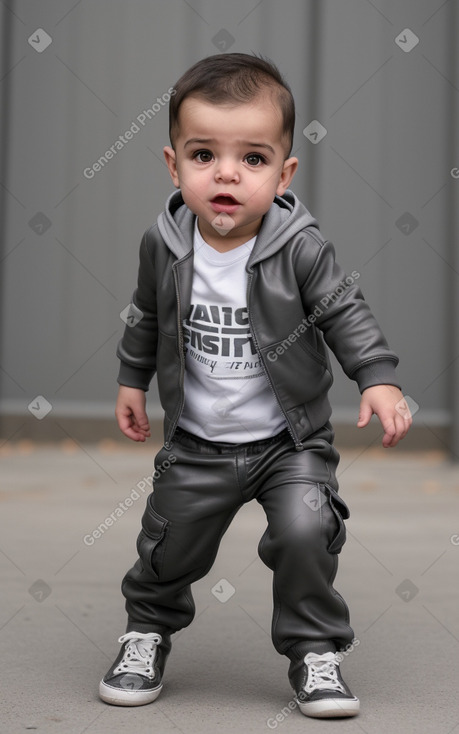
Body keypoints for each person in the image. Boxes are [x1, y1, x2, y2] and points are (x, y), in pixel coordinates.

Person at [99, 52, 411, 719]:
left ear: (284, 171)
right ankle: (145, 631)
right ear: (172, 163)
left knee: (306, 530)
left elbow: (342, 311)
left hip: (286, 442)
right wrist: (132, 379)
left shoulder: (299, 246)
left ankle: (314, 652)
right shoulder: (164, 243)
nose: (226, 174)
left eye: (252, 159)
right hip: (197, 443)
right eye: (204, 154)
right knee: (166, 542)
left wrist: (376, 379)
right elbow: (146, 315)